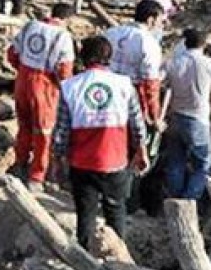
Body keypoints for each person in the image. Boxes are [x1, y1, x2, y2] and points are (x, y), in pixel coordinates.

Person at [52, 36, 149, 249]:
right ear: (109, 57)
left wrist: (58, 159)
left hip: (82, 163)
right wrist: (142, 150)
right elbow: (137, 123)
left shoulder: (69, 87)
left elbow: (61, 130)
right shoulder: (124, 84)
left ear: (83, 57)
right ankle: (118, 255)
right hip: (115, 160)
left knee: (85, 213)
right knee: (116, 210)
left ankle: (84, 256)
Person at [7, 2, 76, 192]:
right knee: (43, 132)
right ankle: (37, 176)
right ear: (67, 19)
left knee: (24, 126)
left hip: (23, 79)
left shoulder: (30, 26)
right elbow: (65, 71)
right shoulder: (63, 36)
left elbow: (12, 54)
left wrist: (22, 69)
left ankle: (20, 164)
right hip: (44, 85)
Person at [163, 28, 211, 200]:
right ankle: (190, 200)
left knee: (176, 162)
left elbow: (163, 88)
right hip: (198, 119)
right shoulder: (210, 64)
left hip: (175, 117)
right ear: (203, 44)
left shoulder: (172, 63)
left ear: (185, 43)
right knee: (202, 165)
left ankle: (174, 201)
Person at [106, 0, 165, 129]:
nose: (161, 26)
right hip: (130, 98)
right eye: (160, 21)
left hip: (105, 93)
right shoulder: (149, 43)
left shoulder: (111, 33)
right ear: (151, 20)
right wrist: (155, 116)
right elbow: (150, 84)